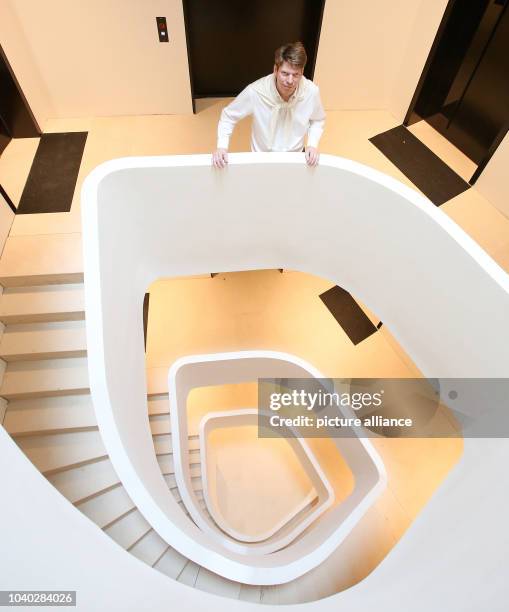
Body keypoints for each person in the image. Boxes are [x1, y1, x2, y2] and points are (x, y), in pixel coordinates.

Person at [212, 41, 325, 168]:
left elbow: (318, 120)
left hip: (295, 159)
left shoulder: (311, 92)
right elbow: (228, 116)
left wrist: (312, 144)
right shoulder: (255, 91)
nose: (290, 81)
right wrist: (222, 146)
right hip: (261, 160)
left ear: (302, 72)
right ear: (275, 70)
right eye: (285, 73)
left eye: (296, 75)